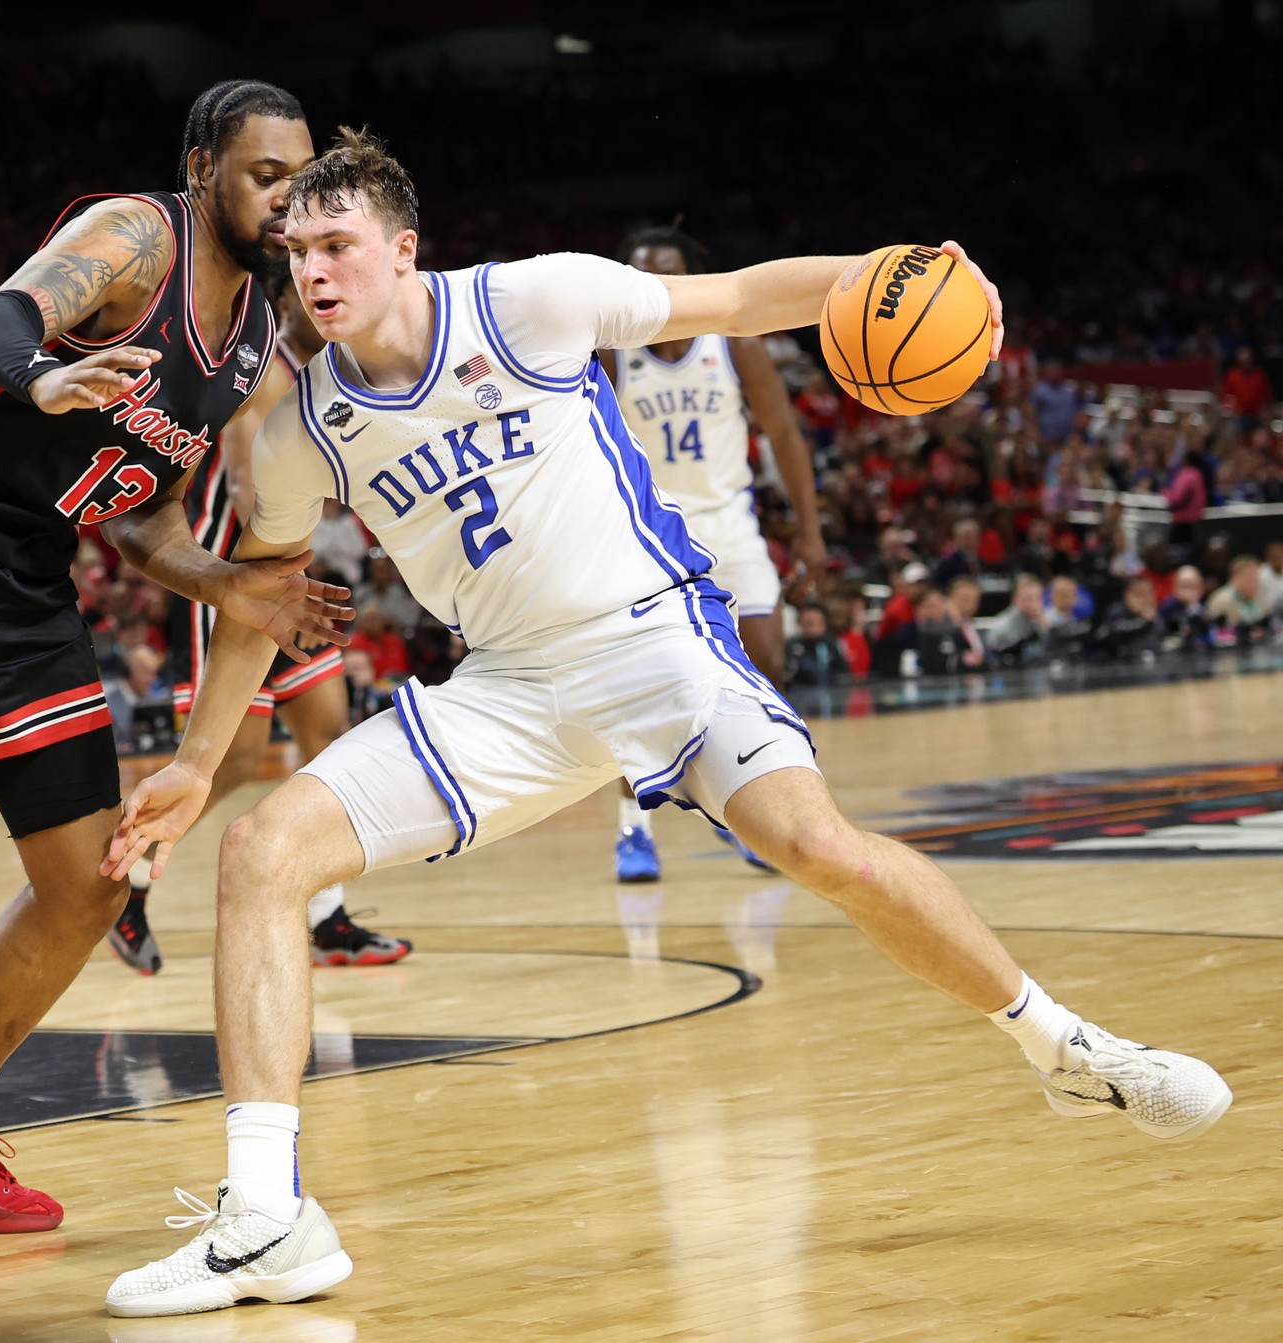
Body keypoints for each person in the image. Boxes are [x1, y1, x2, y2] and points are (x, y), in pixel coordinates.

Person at [99, 130, 1229, 1318]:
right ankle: (268, 1215)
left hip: (654, 636)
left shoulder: (530, 301)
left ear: (402, 248)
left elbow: (739, 298)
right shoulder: (296, 431)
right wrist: (193, 759)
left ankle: (1064, 1049)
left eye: (338, 245)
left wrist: (910, 271)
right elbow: (260, 595)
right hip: (508, 688)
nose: (315, 271)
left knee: (818, 847)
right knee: (259, 853)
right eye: (297, 251)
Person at [0, 80, 350, 1259]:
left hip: (32, 575)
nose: (288, 200)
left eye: (302, 180)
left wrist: (229, 582)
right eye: (266, 175)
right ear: (203, 166)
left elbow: (141, 524)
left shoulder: (255, 336)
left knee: (91, 882)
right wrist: (37, 374)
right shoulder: (138, 237)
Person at [114, 272, 410, 977]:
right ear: (285, 302)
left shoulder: (331, 370)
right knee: (237, 756)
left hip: (289, 579)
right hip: (229, 581)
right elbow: (252, 485)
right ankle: (130, 878)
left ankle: (324, 916)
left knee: (327, 730)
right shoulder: (264, 368)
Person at [601, 224, 827, 880]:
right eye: (643, 272)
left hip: (730, 528)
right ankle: (632, 832)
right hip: (653, 537)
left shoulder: (735, 348)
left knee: (766, 666)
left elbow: (784, 433)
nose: (657, 283)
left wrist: (809, 530)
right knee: (642, 691)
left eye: (668, 270)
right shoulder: (615, 353)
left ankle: (748, 818)